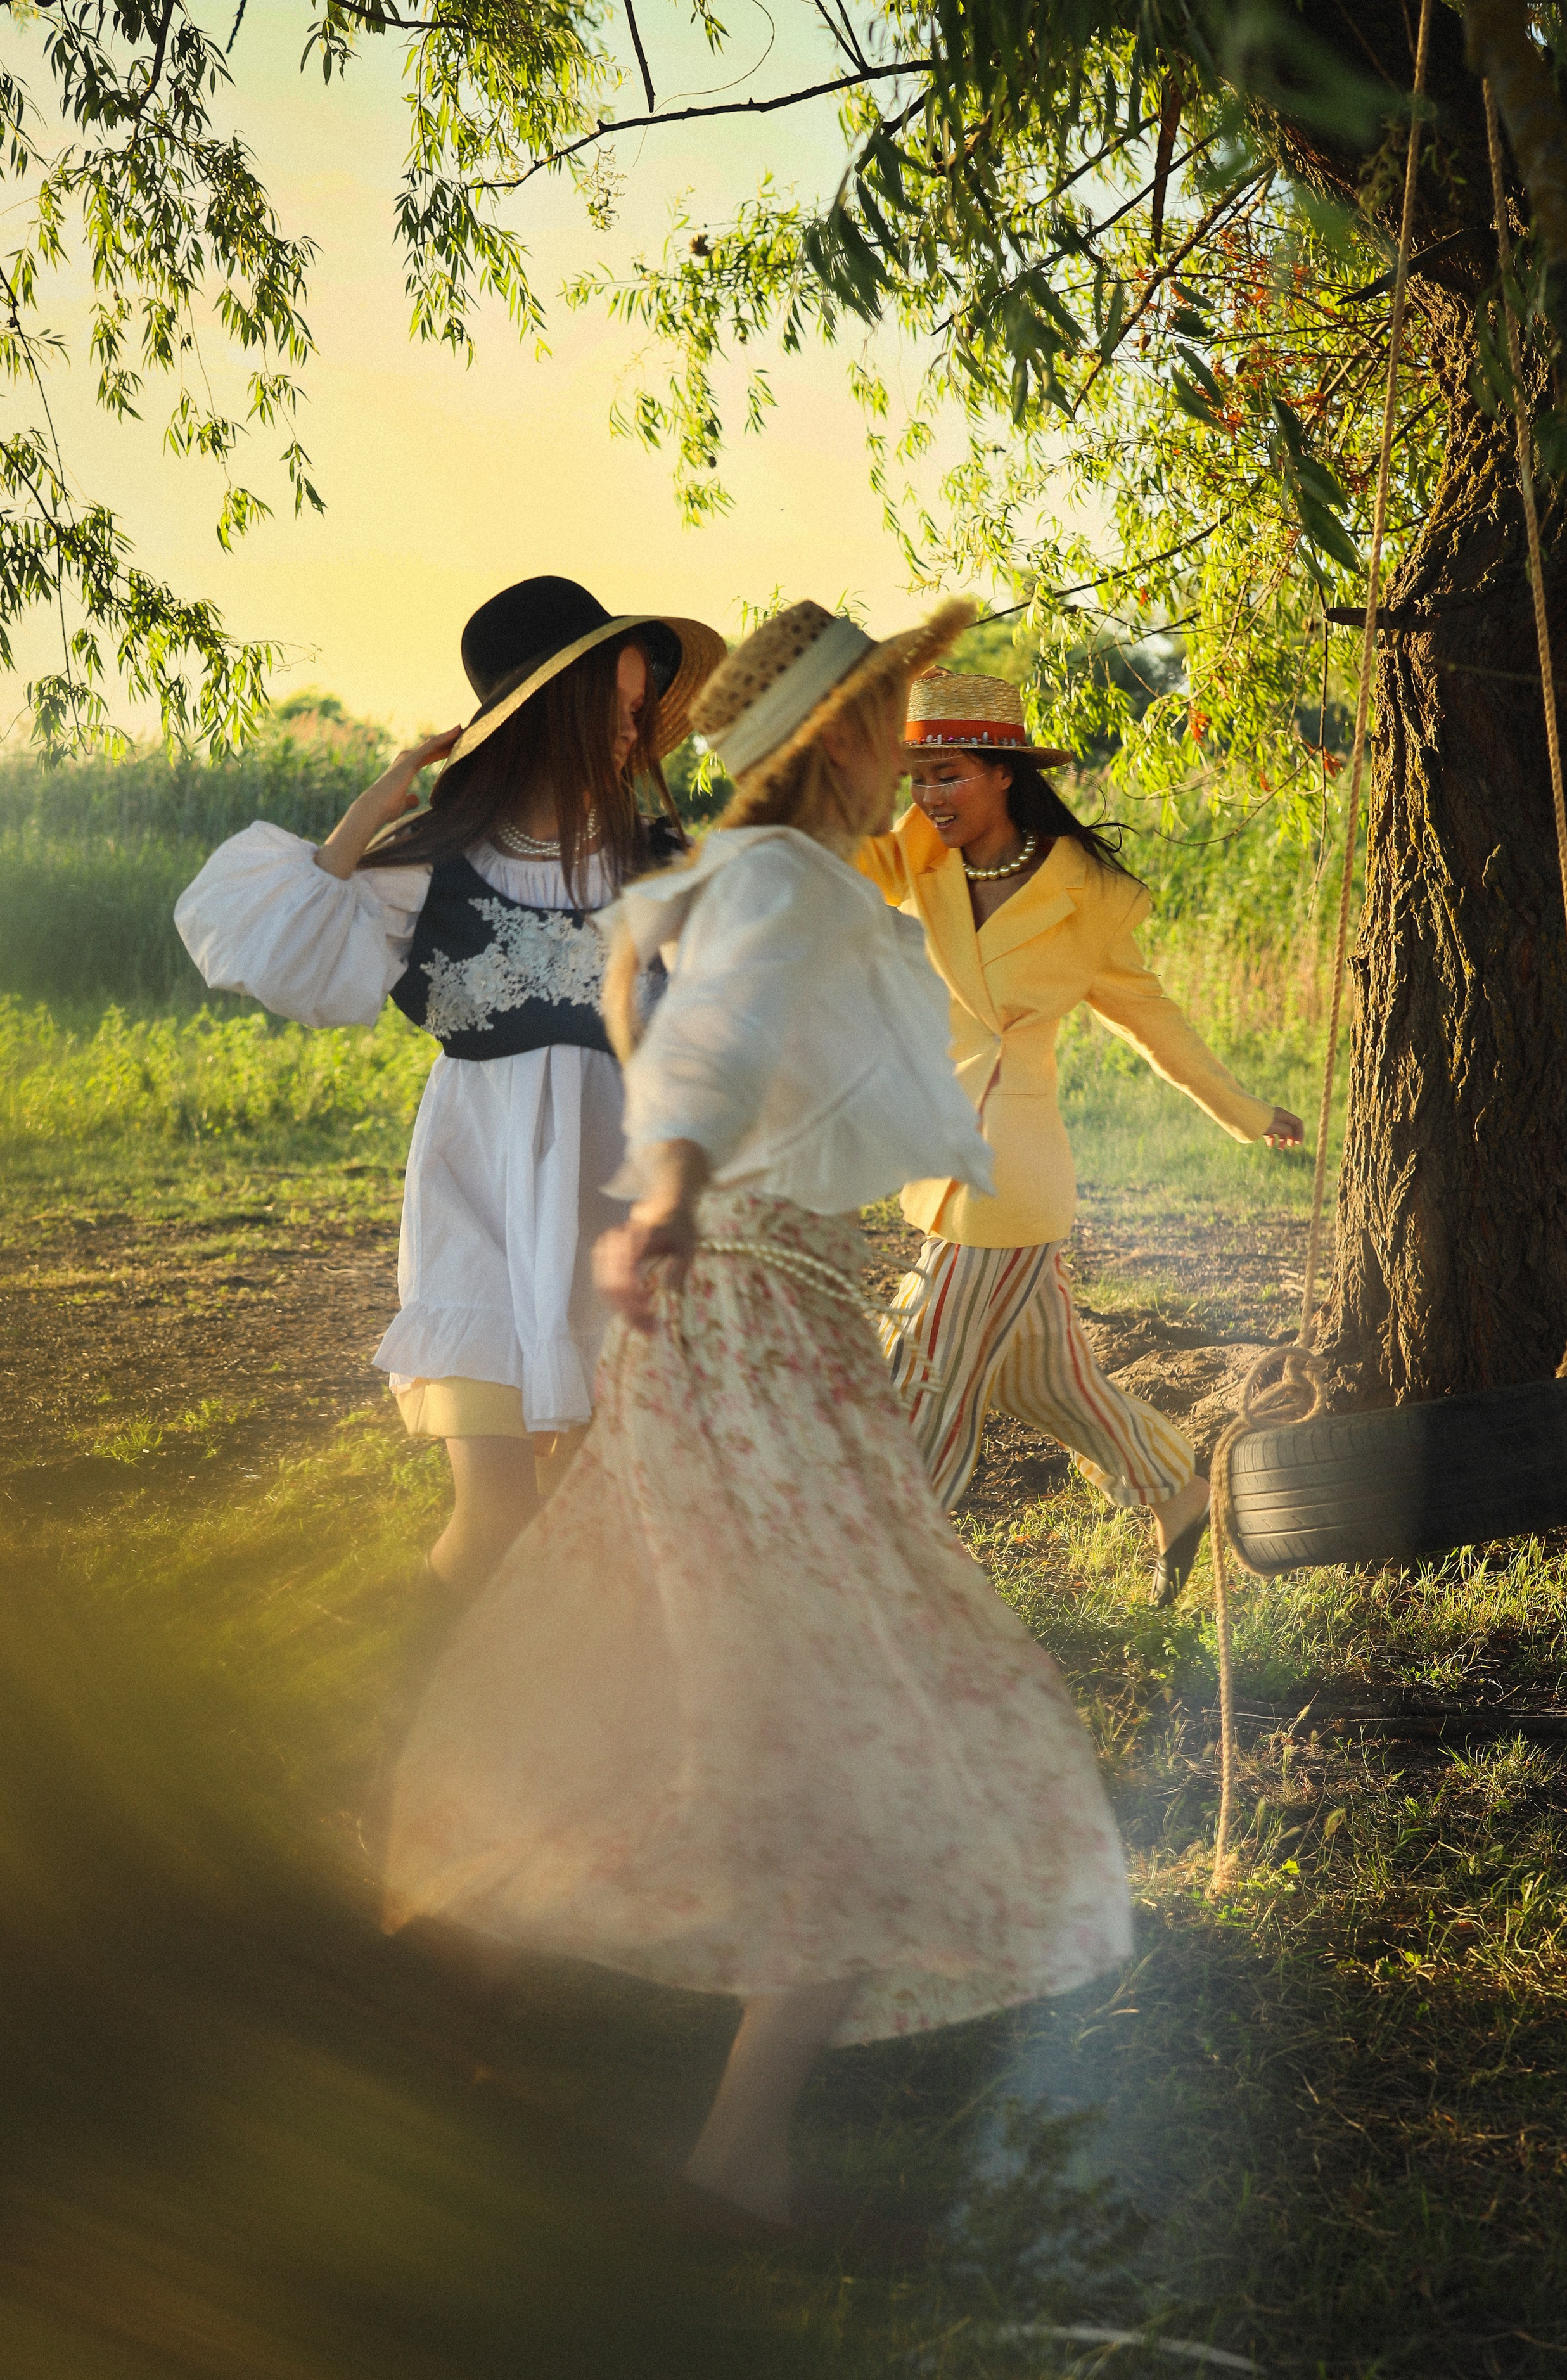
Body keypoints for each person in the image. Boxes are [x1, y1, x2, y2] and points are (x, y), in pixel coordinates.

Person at [383, 600, 1133, 2233]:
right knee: (863, 1696)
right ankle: (720, 2129)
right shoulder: (785, 884)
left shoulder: (740, 880)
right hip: (764, 1335)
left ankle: (467, 1944)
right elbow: (712, 1065)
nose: (909, 751)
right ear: (837, 739)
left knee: (677, 1658)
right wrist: (662, 1203)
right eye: (889, 720)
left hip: (734, 1327)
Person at [176, 577, 724, 1596]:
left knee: (578, 1516)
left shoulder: (664, 867)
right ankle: (398, 1698)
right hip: (475, 1203)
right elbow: (267, 951)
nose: (634, 728)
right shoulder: (431, 867)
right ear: (555, 711)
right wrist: (371, 813)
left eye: (643, 710)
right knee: (495, 1518)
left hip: (614, 1217)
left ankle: (539, 1730)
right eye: (617, 704)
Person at [857, 666, 1304, 1604]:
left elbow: (1156, 1024)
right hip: (940, 1160)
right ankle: (1179, 1493)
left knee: (918, 1370)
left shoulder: (1085, 895)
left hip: (1013, 1175)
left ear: (1006, 772)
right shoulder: (914, 854)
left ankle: (897, 1592)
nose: (931, 797)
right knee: (1046, 1382)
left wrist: (1249, 1113)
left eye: (952, 775)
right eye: (919, 778)